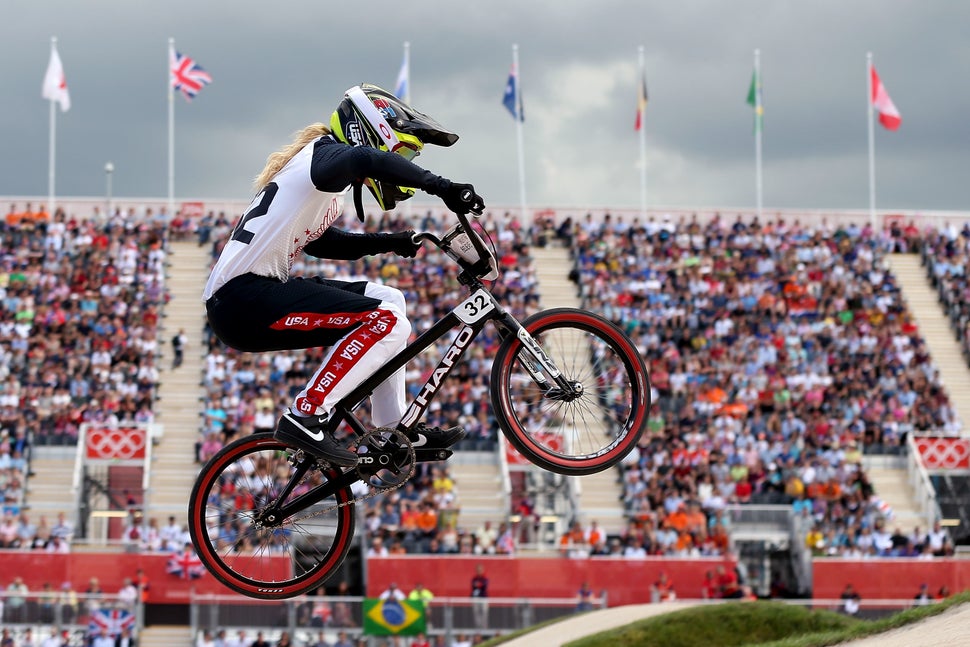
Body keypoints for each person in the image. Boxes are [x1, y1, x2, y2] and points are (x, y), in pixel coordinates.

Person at [203, 83, 485, 467]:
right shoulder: (326, 156)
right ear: (369, 130)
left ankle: (391, 429)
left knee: (391, 302)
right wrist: (441, 186)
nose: (399, 161)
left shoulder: (318, 177)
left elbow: (322, 243)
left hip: (252, 295)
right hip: (243, 301)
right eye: (399, 150)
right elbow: (363, 159)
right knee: (385, 322)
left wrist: (390, 241)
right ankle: (305, 413)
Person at [470, 563, 489, 629]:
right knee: (476, 613)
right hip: (476, 598)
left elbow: (484, 586)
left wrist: (478, 585)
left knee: (484, 613)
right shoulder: (474, 578)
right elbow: (473, 586)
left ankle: (484, 627)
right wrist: (479, 585)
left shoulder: (485, 578)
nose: (479, 571)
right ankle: (477, 627)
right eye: (478, 570)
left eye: (480, 570)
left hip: (483, 598)